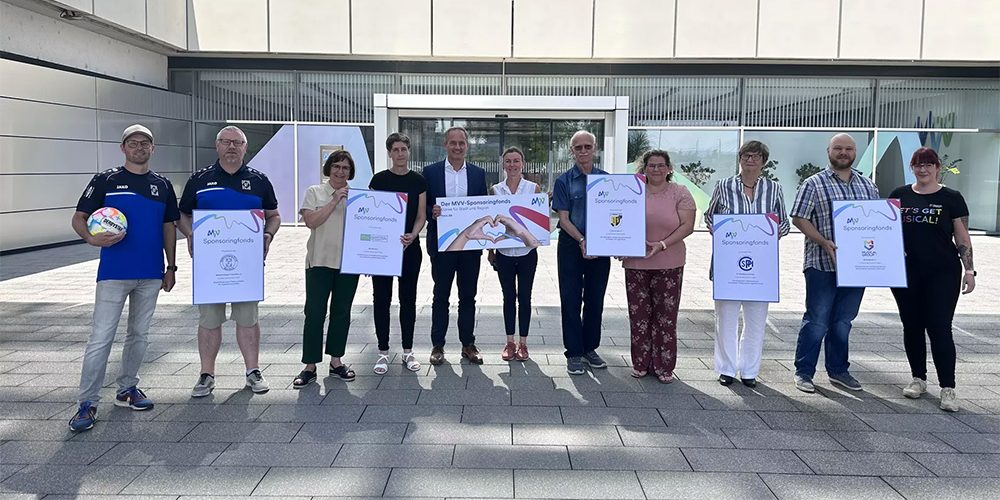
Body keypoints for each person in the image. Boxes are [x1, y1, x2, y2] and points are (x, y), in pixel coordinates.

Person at [68, 125, 179, 431]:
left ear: (152, 148)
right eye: (133, 143)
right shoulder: (106, 180)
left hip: (151, 273)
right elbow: (79, 218)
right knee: (101, 337)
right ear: (123, 148)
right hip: (114, 273)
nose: (139, 147)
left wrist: (171, 267)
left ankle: (127, 389)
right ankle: (87, 403)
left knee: (139, 335)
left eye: (145, 143)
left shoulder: (162, 185)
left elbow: (168, 226)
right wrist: (90, 238)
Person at [178, 125, 281, 397]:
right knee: (209, 319)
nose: (232, 147)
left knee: (248, 318)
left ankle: (253, 371)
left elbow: (274, 215)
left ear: (245, 148)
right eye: (226, 142)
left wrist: (268, 234)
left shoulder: (259, 180)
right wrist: (190, 234)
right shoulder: (199, 180)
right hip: (209, 265)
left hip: (246, 265)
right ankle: (206, 374)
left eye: (237, 142)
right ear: (217, 146)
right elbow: (183, 214)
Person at [790, 133, 879, 393]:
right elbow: (799, 218)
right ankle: (804, 372)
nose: (843, 152)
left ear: (855, 153)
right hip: (822, 264)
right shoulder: (813, 183)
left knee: (843, 322)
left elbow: (877, 223)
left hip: (857, 267)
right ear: (828, 151)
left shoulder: (868, 186)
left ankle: (838, 370)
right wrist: (823, 241)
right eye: (838, 148)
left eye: (848, 149)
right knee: (817, 320)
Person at [890, 147, 975, 412]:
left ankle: (948, 388)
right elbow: (885, 232)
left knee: (939, 327)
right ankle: (918, 379)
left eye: (928, 164)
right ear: (912, 168)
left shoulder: (952, 198)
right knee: (912, 325)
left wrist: (969, 270)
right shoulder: (899, 195)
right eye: (918, 164)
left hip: (942, 273)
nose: (923, 169)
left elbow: (962, 237)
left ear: (937, 168)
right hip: (906, 273)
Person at [705, 141, 790, 387]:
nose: (750, 160)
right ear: (740, 159)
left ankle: (750, 371)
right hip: (728, 263)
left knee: (756, 321)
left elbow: (784, 222)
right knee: (726, 319)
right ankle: (726, 369)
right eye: (745, 155)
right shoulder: (724, 186)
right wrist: (720, 231)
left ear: (764, 161)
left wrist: (771, 234)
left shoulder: (774, 188)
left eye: (755, 156)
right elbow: (710, 216)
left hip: (761, 266)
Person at [623, 150, 696, 384]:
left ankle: (664, 366)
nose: (656, 169)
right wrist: (617, 244)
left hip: (669, 264)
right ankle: (641, 363)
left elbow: (687, 225)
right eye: (651, 165)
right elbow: (618, 220)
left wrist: (662, 244)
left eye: (661, 165)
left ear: (669, 168)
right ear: (644, 168)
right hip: (636, 263)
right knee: (639, 317)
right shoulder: (631, 191)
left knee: (666, 318)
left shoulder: (680, 192)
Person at [292, 151, 361, 386]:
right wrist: (334, 201)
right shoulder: (315, 192)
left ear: (350, 172)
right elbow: (311, 221)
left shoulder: (358, 197)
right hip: (319, 262)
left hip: (347, 264)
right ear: (329, 168)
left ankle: (336, 361)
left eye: (345, 168)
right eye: (336, 166)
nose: (340, 171)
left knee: (341, 313)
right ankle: (310, 365)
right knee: (314, 313)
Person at [423, 126, 489, 365]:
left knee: (468, 296)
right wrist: (431, 211)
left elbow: (483, 206)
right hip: (442, 245)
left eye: (462, 143)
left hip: (469, 246)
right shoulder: (430, 172)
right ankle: (437, 345)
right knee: (440, 295)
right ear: (445, 145)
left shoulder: (478, 174)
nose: (457, 147)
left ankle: (468, 344)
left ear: (467, 146)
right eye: (453, 143)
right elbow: (423, 205)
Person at [553, 130, 611, 375]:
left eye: (588, 146)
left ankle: (590, 348)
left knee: (595, 300)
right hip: (571, 245)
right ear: (572, 151)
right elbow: (563, 218)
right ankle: (574, 352)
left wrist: (618, 243)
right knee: (571, 299)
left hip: (601, 246)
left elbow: (615, 215)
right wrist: (582, 240)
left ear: (595, 149)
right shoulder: (563, 181)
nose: (584, 151)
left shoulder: (607, 180)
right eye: (579, 147)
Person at [369, 133, 427, 374]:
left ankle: (407, 351)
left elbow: (421, 215)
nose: (400, 153)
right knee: (381, 300)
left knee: (408, 300)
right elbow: (371, 215)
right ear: (389, 153)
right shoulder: (379, 179)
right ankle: (383, 352)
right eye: (395, 150)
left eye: (404, 149)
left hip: (409, 248)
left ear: (409, 151)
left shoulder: (418, 181)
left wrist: (413, 234)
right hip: (383, 249)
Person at [487, 147, 543, 361]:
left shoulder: (533, 188)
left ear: (523, 164)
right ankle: (510, 342)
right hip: (504, 253)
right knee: (508, 297)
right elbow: (491, 220)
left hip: (527, 252)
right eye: (508, 161)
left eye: (516, 160)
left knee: (525, 298)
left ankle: (523, 343)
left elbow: (538, 220)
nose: (512, 165)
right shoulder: (496, 190)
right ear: (503, 165)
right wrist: (490, 250)